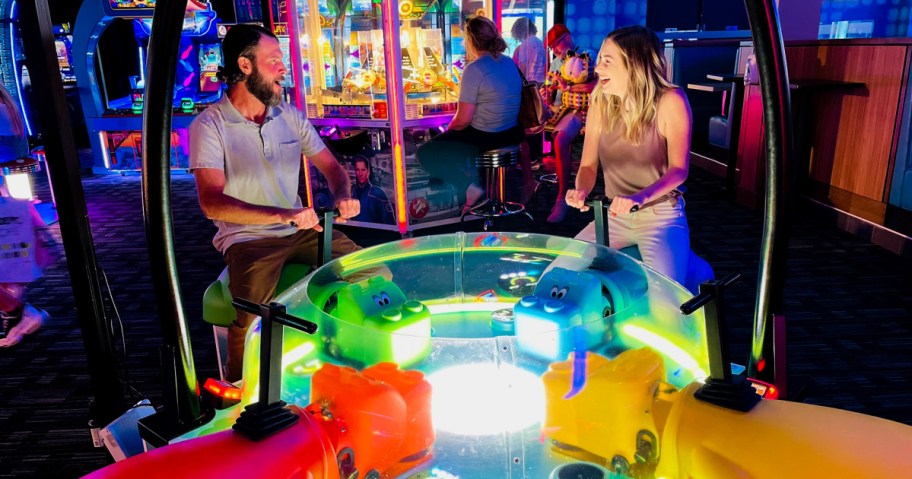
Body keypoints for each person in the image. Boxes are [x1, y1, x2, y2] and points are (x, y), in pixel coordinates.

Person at [189, 24, 365, 382]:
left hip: (301, 230)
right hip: (249, 238)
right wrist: (284, 214)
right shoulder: (209, 125)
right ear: (246, 65)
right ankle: (239, 398)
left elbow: (333, 169)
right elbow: (211, 203)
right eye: (274, 61)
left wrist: (343, 195)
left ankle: (348, 366)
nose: (283, 68)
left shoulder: (289, 115)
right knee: (253, 316)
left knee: (372, 274)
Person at [565, 25, 710, 291]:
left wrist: (638, 197)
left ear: (634, 65)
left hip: (660, 215)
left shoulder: (671, 100)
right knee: (559, 276)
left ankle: (691, 266)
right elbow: (587, 165)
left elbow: (679, 170)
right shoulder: (600, 102)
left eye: (607, 62)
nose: (597, 69)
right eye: (599, 62)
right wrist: (580, 190)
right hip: (614, 217)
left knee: (667, 301)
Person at [417, 16, 524, 212]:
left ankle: (470, 188)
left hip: (487, 136)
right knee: (451, 143)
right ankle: (480, 192)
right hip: (512, 132)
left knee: (426, 153)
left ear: (469, 40)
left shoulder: (475, 69)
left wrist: (448, 131)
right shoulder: (509, 62)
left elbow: (463, 119)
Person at [0, 83, 48, 348]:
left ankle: (20, 313)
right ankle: (17, 314)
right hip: (10, 202)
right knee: (9, 270)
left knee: (9, 269)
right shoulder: (8, 105)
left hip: (6, 204)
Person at [541, 24, 597, 223]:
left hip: (590, 110)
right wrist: (548, 92)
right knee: (556, 138)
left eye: (556, 44)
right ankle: (561, 196)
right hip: (567, 110)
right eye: (552, 47)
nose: (555, 50)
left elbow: (596, 85)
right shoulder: (556, 63)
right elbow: (554, 91)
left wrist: (568, 88)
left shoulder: (588, 55)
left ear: (567, 38)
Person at [510, 17, 547, 204]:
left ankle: (529, 160)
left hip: (526, 89)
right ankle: (536, 159)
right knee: (536, 123)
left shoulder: (524, 46)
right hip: (538, 86)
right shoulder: (539, 43)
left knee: (524, 125)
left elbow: (520, 69)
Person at [350, 155, 393, 224]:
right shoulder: (351, 193)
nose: (360, 174)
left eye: (363, 170)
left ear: (368, 172)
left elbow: (390, 223)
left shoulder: (378, 194)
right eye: (357, 170)